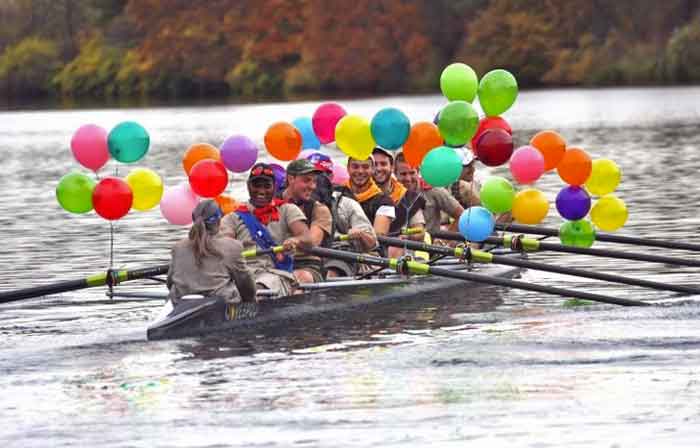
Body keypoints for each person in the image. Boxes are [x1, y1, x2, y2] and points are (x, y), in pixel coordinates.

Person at [220, 162, 311, 297]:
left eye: (267, 186)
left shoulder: (288, 210)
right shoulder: (232, 218)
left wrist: (295, 240)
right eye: (256, 185)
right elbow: (224, 244)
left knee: (257, 288)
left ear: (274, 188)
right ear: (248, 186)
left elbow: (307, 238)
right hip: (242, 275)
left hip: (275, 274)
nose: (261, 191)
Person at [167, 200, 257, 305]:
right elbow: (246, 285)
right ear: (219, 220)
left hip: (180, 304)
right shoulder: (232, 246)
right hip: (220, 305)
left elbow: (170, 283)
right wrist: (251, 302)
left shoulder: (178, 247)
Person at [306, 152, 378, 277]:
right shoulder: (293, 203)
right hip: (306, 255)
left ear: (331, 176)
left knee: (331, 273)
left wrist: (360, 234)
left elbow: (372, 244)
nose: (316, 182)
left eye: (322, 175)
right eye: (311, 177)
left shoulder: (347, 203)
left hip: (341, 253)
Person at [281, 159, 332, 283]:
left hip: (307, 265)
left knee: (299, 278)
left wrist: (296, 241)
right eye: (307, 180)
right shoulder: (272, 203)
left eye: (314, 181)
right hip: (274, 262)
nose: (313, 186)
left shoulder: (319, 209)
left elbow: (312, 242)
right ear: (291, 179)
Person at [371, 147, 425, 257]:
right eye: (375, 164)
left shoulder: (408, 197)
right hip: (368, 255)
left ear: (392, 167)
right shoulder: (358, 194)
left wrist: (407, 236)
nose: (379, 168)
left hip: (401, 258)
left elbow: (420, 232)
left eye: (383, 164)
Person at [394, 152, 464, 235]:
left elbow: (462, 216)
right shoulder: (391, 191)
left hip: (429, 245)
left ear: (418, 171)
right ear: (395, 173)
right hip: (398, 244)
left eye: (412, 173)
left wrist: (444, 241)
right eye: (403, 174)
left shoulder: (432, 189)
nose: (408, 178)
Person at [336, 155, 395, 236]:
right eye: (355, 166)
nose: (360, 171)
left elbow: (378, 235)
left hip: (369, 247)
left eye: (365, 167)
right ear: (348, 168)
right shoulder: (336, 193)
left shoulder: (384, 201)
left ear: (373, 169)